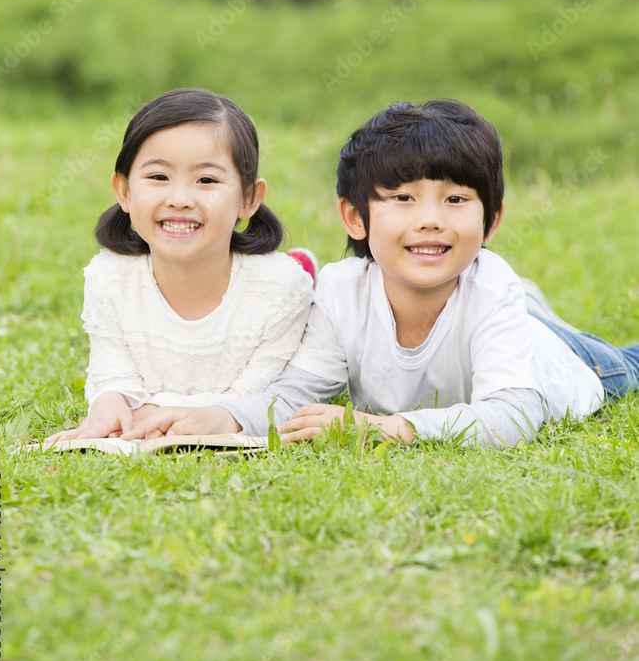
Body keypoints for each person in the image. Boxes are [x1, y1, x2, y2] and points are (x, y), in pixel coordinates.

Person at [125, 98, 639, 448]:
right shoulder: (341, 290)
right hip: (505, 321)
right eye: (402, 198)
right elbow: (298, 396)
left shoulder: (488, 284)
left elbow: (514, 416)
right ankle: (531, 313)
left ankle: (536, 319)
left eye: (456, 199)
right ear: (354, 217)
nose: (431, 218)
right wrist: (218, 418)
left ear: (491, 220)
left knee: (629, 365)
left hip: (572, 366)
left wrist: (387, 428)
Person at [46, 88, 314, 442]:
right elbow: (112, 373)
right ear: (124, 191)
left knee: (294, 281)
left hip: (271, 285)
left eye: (207, 180)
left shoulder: (280, 290)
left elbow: (253, 396)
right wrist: (108, 403)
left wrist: (151, 412)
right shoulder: (109, 277)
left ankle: (306, 268)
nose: (180, 199)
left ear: (248, 199)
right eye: (159, 177)